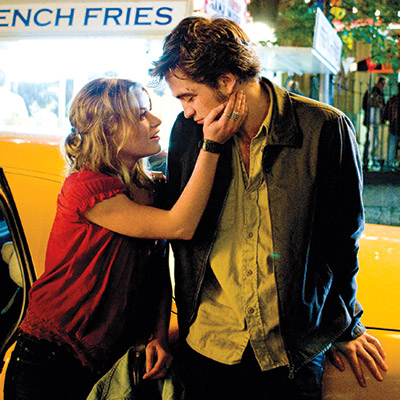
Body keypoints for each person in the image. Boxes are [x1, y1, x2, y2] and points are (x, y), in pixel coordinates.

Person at [149, 16, 388, 400]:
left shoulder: (323, 128)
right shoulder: (188, 131)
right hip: (209, 344)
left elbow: (343, 239)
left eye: (189, 96)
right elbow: (175, 232)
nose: (186, 110)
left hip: (289, 353)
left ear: (226, 81)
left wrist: (347, 324)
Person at [4, 78, 246, 400]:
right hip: (49, 358)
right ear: (109, 128)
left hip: (104, 359)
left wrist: (158, 336)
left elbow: (157, 273)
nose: (156, 121)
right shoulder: (86, 188)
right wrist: (211, 145)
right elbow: (180, 226)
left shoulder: (151, 189)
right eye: (141, 114)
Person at [362, 76, 387, 169]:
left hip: (371, 119)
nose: (384, 87)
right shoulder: (378, 94)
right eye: (383, 85)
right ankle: (372, 158)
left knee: (370, 139)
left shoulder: (370, 92)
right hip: (374, 118)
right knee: (374, 139)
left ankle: (368, 159)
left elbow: (364, 106)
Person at [382, 82, 400, 172]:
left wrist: (385, 118)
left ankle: (389, 164)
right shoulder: (393, 100)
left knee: (391, 146)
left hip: (393, 125)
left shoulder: (393, 100)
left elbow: (386, 111)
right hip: (395, 124)